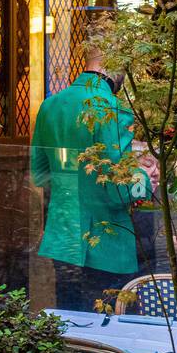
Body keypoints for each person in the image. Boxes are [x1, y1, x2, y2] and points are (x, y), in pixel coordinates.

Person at [31, 44, 142, 311]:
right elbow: (122, 189)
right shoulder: (114, 110)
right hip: (108, 241)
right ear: (117, 67)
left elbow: (40, 174)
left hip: (64, 233)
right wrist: (145, 180)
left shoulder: (50, 106)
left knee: (69, 323)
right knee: (110, 328)